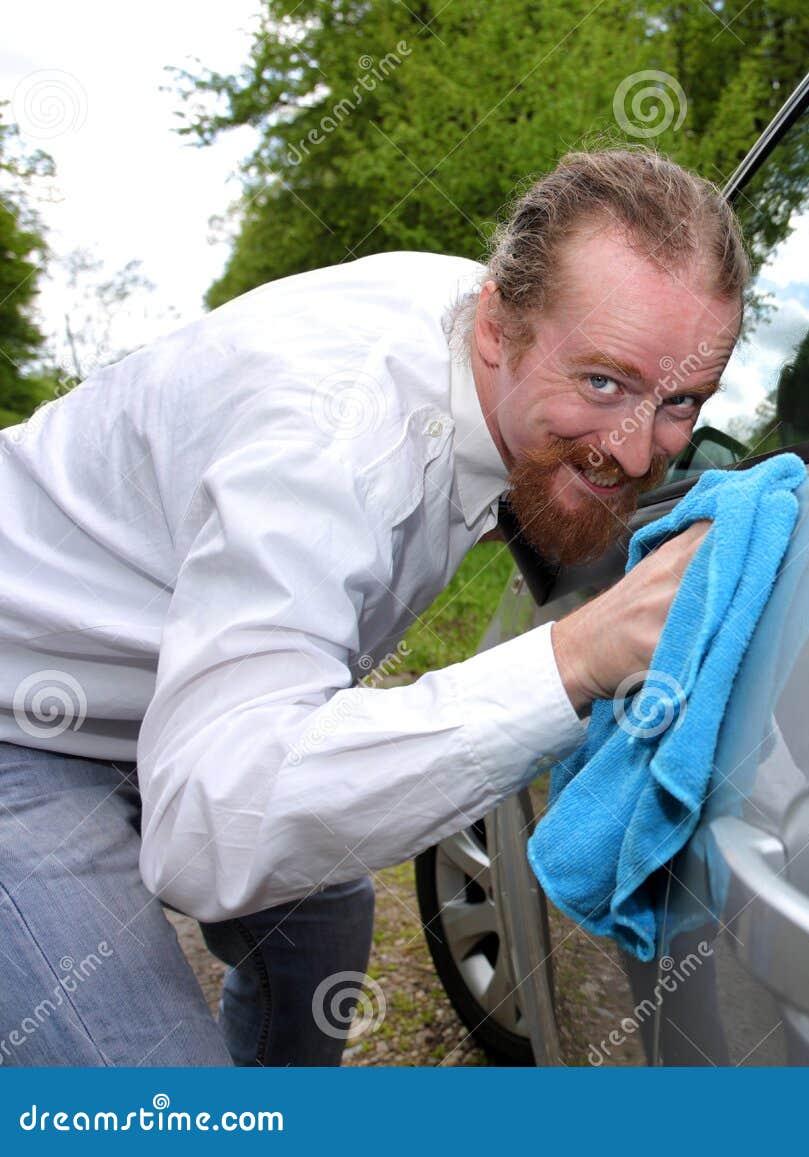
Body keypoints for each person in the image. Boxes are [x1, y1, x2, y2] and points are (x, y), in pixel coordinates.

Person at [0, 148, 747, 1065]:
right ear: (495, 326)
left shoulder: (505, 334)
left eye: (681, 403)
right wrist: (570, 658)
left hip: (158, 689)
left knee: (322, 922)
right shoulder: (338, 435)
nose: (639, 455)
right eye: (604, 383)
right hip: (20, 717)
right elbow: (207, 826)